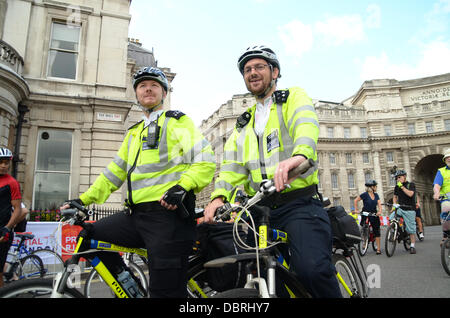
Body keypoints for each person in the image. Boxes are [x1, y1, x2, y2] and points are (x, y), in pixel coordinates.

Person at [61, 67, 216, 297]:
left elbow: (206, 161)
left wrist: (182, 186)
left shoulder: (177, 122)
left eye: (154, 85)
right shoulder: (134, 133)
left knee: (164, 292)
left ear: (164, 92)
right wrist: (83, 199)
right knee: (90, 235)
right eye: (142, 86)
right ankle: (129, 285)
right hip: (135, 216)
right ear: (136, 94)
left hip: (167, 218)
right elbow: (113, 173)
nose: (148, 89)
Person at [204, 45, 341, 298]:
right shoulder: (243, 122)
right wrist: (218, 197)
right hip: (259, 210)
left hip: (298, 203)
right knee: (265, 277)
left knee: (311, 270)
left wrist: (299, 156)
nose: (252, 73)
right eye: (247, 70)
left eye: (259, 67)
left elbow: (306, 125)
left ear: (275, 72)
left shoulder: (293, 97)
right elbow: (232, 167)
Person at [0, 147, 26, 287]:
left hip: (3, 230)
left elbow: (18, 209)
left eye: (6, 162)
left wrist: (7, 227)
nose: (3, 165)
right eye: (1, 162)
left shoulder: (12, 183)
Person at [391, 170, 417, 254]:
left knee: (411, 229)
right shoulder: (397, 187)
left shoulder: (411, 185)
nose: (398, 179)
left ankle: (412, 246)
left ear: (404, 176)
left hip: (409, 209)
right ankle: (395, 231)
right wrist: (394, 205)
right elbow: (395, 197)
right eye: (396, 178)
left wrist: (402, 187)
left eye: (399, 177)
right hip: (400, 208)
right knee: (391, 218)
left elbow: (410, 194)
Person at [353, 180, 382, 254]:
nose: (376, 187)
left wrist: (379, 211)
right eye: (375, 186)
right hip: (365, 213)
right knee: (364, 227)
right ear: (372, 187)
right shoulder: (365, 195)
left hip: (374, 213)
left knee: (376, 230)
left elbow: (379, 204)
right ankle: (364, 240)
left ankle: (378, 248)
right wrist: (356, 209)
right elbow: (356, 200)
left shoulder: (376, 195)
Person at [433, 148, 450, 246]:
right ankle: (445, 234)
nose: (449, 159)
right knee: (446, 208)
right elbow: (437, 185)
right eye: (447, 157)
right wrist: (436, 193)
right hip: (447, 198)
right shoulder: (441, 171)